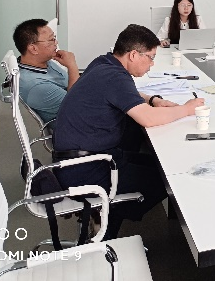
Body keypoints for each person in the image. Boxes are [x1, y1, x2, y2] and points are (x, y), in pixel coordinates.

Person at [52, 24, 205, 239]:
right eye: (150, 57)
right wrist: (187, 109)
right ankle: (106, 220)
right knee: (166, 180)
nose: (152, 64)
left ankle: (105, 216)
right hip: (84, 168)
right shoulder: (115, 77)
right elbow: (148, 119)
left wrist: (153, 100)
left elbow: (126, 92)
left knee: (157, 165)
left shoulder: (104, 63)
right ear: (133, 55)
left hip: (83, 155)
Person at [12, 18, 79, 123]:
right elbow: (77, 107)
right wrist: (72, 66)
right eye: (51, 39)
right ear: (33, 49)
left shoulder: (43, 62)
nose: (56, 42)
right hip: (78, 125)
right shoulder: (37, 86)